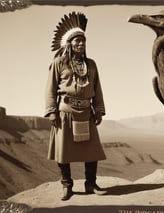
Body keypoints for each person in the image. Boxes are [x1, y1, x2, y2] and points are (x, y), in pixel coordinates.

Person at [44, 12, 107, 201]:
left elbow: (98, 89)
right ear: (69, 44)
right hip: (65, 113)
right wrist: (51, 112)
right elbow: (50, 89)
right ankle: (67, 185)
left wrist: (99, 110)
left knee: (92, 150)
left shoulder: (92, 64)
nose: (81, 44)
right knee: (64, 152)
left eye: (83, 41)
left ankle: (90, 183)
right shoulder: (59, 63)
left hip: (87, 113)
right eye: (77, 41)